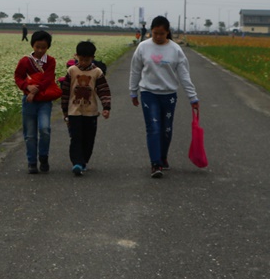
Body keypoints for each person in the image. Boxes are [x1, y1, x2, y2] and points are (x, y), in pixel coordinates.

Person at [128, 15, 199, 178]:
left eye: (161, 34)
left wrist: (192, 97)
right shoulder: (143, 47)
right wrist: (133, 91)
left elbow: (184, 75)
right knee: (153, 128)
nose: (158, 37)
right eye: (155, 33)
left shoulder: (175, 50)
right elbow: (135, 70)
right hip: (148, 93)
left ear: (168, 32)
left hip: (169, 95)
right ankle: (155, 163)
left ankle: (163, 156)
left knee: (166, 129)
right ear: (150, 32)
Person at [61, 41, 111, 176]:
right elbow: (65, 91)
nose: (83, 62)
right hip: (74, 111)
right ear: (76, 56)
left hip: (91, 112)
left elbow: (103, 90)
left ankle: (83, 161)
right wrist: (65, 111)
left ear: (92, 58)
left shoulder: (97, 72)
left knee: (89, 138)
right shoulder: (71, 71)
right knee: (76, 137)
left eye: (87, 59)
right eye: (81, 59)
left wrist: (106, 107)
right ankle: (77, 162)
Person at [14, 30, 59, 174]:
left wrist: (34, 91)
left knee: (45, 129)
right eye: (37, 46)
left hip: (43, 101)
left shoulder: (50, 61)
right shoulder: (25, 61)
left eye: (43, 47)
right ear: (32, 45)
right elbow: (18, 77)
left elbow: (48, 79)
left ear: (48, 47)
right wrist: (27, 87)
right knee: (30, 134)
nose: (40, 50)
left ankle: (43, 156)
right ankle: (32, 162)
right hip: (28, 101)